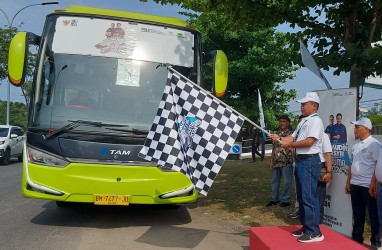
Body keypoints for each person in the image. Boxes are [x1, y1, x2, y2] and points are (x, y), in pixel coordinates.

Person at [270, 92, 324, 243]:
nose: (301, 106)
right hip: (301, 161)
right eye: (301, 103)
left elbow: (308, 142)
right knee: (301, 197)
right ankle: (307, 227)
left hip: (310, 160)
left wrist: (289, 144)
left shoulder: (316, 121)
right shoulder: (303, 121)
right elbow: (292, 138)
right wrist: (278, 138)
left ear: (314, 106)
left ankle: (315, 232)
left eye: (304, 104)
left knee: (309, 196)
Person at [345, 117, 380, 248]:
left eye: (357, 127)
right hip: (355, 184)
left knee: (373, 215)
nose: (355, 129)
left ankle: (375, 242)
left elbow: (378, 164)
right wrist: (348, 182)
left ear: (366, 128)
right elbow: (351, 165)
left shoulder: (374, 144)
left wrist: (373, 183)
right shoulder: (354, 144)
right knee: (358, 213)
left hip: (368, 186)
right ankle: (356, 239)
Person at [266, 115, 294, 207]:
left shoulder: (291, 134)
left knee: (287, 182)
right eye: (280, 121)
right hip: (276, 161)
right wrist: (271, 160)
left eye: (284, 121)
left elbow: (292, 146)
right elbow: (274, 148)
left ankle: (285, 200)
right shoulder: (276, 134)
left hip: (286, 161)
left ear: (288, 123)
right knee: (274, 181)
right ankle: (274, 199)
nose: (282, 123)